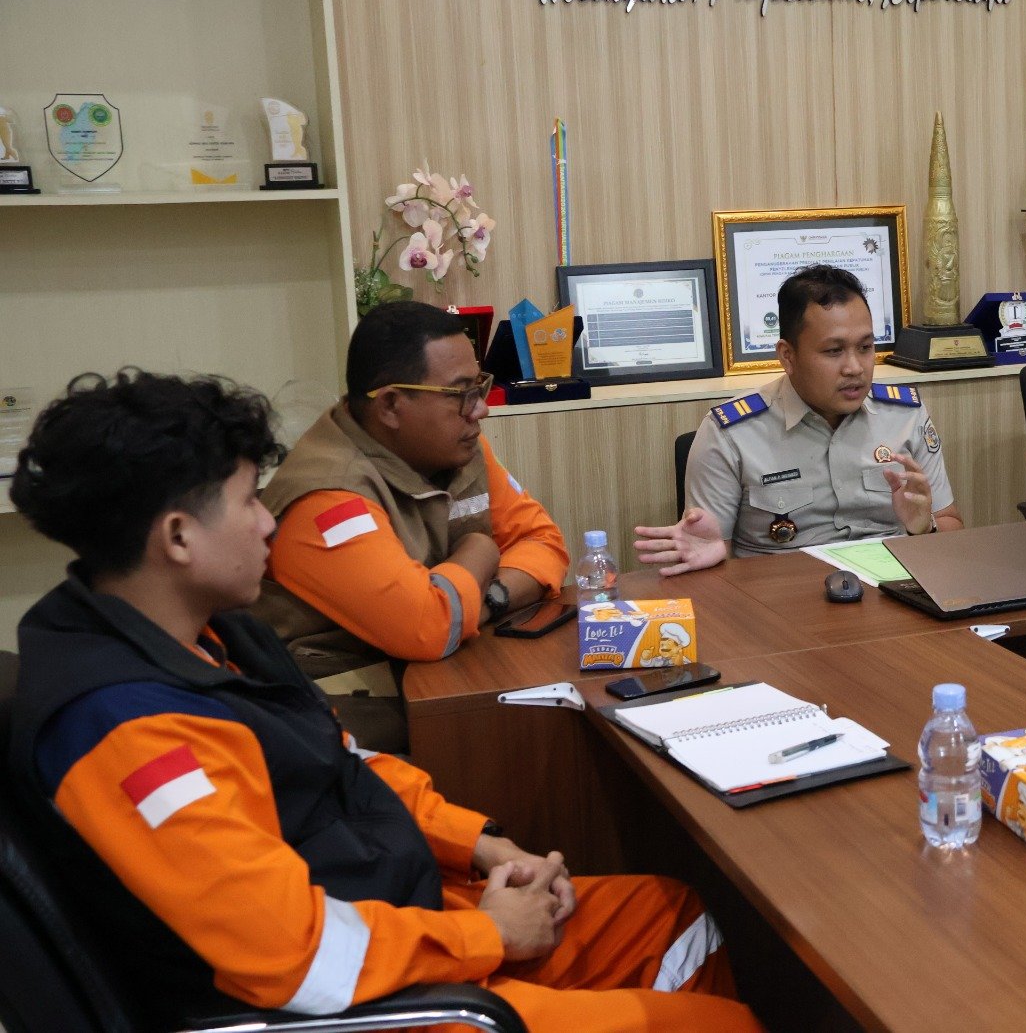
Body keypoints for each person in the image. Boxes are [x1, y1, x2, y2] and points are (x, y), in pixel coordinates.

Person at [5, 370, 759, 1031]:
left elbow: (344, 765)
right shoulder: (125, 730)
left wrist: (484, 844)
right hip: (353, 1006)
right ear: (177, 537)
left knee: (673, 914)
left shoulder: (215, 635)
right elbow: (288, 955)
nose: (271, 519)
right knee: (719, 1027)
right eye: (247, 502)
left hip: (400, 916)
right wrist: (488, 936)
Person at [255, 301, 568, 679]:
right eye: (460, 393)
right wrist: (480, 549)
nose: (480, 409)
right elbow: (427, 628)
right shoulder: (326, 497)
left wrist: (487, 598)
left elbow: (544, 543)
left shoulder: (460, 449)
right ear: (389, 405)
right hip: (348, 711)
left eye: (478, 386)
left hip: (440, 682)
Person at [635, 264, 963, 574]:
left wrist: (924, 527)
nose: (855, 367)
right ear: (787, 356)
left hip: (893, 595)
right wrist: (713, 553)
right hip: (782, 609)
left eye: (865, 347)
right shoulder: (730, 433)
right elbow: (711, 559)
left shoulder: (906, 415)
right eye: (834, 351)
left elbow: (950, 524)